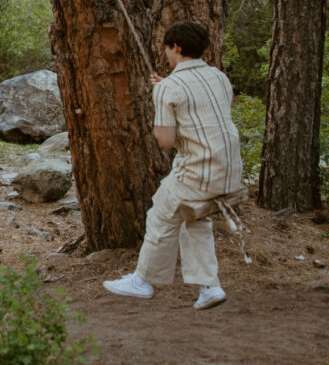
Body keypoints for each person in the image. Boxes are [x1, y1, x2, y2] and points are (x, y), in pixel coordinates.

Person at [103, 21, 243, 310]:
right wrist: (164, 90)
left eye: (167, 48)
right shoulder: (218, 77)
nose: (166, 53)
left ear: (176, 47)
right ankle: (209, 286)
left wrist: (161, 101)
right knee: (194, 217)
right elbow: (204, 114)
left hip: (199, 170)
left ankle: (142, 281)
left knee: (161, 214)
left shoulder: (169, 87)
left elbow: (165, 140)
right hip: (231, 171)